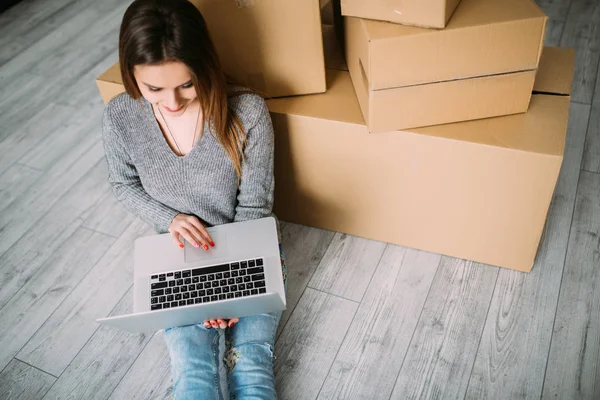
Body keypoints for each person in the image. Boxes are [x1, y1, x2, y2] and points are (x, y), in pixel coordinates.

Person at [101, 0, 287, 398]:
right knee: (193, 372)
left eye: (187, 84)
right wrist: (168, 218)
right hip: (176, 255)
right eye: (154, 89)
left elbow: (255, 209)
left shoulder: (247, 112)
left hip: (246, 248)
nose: (172, 102)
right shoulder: (119, 117)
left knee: (250, 363)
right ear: (131, 75)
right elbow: (122, 184)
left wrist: (227, 292)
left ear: (205, 64)